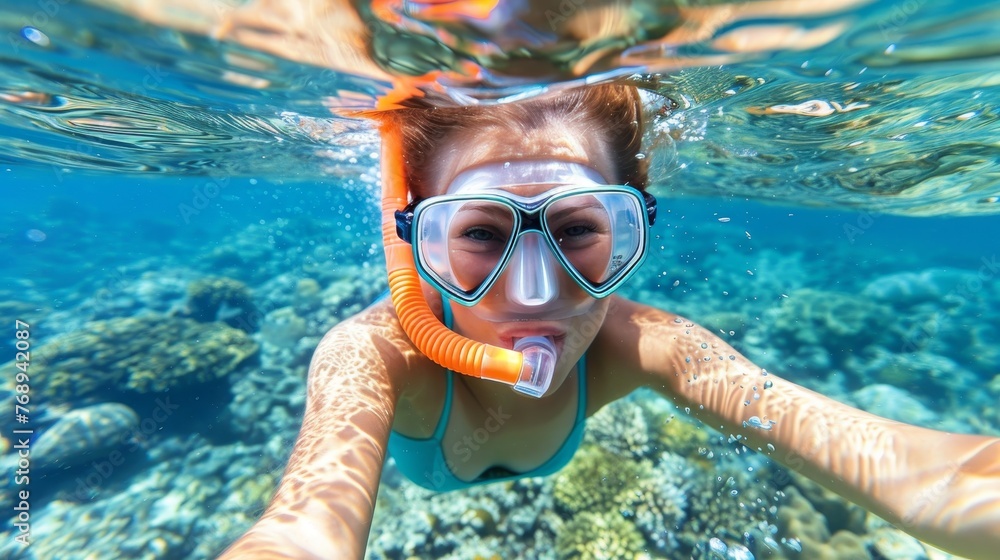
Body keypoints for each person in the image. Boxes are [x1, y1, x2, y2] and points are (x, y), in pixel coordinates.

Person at [217, 83, 1000, 559]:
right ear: (417, 237)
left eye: (580, 232)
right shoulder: (373, 356)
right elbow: (302, 531)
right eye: (480, 234)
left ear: (632, 230)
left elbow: (925, 482)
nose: (530, 294)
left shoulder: (643, 346)